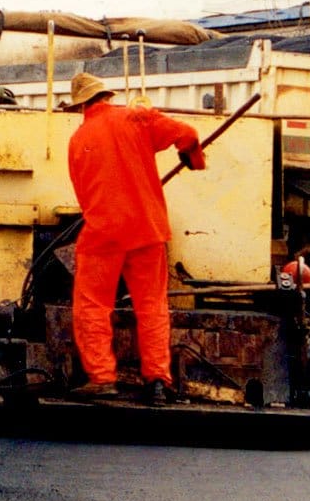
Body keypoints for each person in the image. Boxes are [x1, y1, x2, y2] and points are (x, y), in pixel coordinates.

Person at [63, 73, 204, 405]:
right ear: (106, 97)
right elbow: (187, 134)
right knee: (152, 305)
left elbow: (84, 196)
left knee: (92, 305)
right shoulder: (136, 117)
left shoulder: (77, 140)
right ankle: (157, 380)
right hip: (147, 229)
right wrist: (192, 158)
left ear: (81, 105)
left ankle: (102, 379)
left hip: (103, 233)